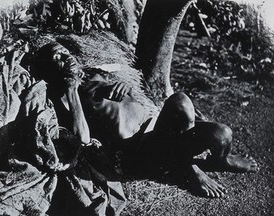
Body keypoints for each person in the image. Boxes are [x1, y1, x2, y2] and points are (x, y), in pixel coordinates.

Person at [34, 41, 258, 199]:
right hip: (138, 150)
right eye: (58, 59)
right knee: (180, 101)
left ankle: (221, 161)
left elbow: (129, 85)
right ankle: (189, 167)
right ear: (52, 71)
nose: (66, 58)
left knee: (222, 134)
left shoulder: (95, 73)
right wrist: (71, 89)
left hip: (157, 127)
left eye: (65, 54)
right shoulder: (63, 95)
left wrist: (124, 85)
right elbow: (81, 137)